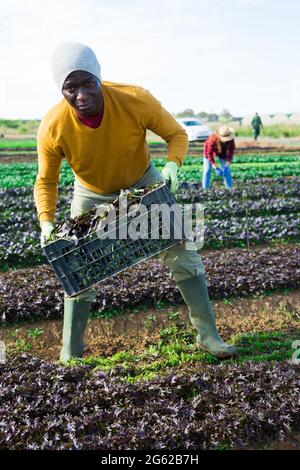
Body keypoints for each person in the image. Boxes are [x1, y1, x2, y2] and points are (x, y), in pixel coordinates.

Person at [34, 41, 237, 361]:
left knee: (184, 254)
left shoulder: (134, 99)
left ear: (99, 78)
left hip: (144, 184)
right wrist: (46, 221)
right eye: (70, 88)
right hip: (91, 193)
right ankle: (70, 353)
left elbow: (177, 134)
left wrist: (172, 166)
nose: (81, 95)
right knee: (77, 269)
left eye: (88, 83)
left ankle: (209, 336)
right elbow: (46, 181)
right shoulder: (53, 126)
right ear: (61, 90)